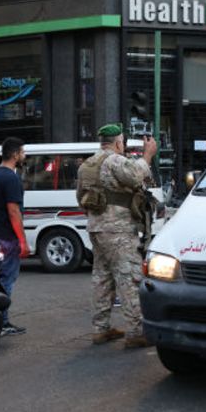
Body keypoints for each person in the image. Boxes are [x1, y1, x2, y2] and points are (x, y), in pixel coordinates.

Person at [78, 123, 158, 348]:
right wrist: (147, 155)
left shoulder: (87, 165)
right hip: (118, 229)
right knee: (129, 277)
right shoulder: (115, 161)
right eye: (122, 142)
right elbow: (135, 176)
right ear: (118, 142)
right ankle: (137, 331)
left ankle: (100, 329)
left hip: (96, 227)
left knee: (101, 278)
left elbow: (80, 197)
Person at [0, 136, 29, 336]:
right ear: (15, 154)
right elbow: (13, 211)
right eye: (23, 152)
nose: (24, 155)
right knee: (6, 280)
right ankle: (2, 322)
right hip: (6, 238)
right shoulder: (11, 178)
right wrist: (23, 241)